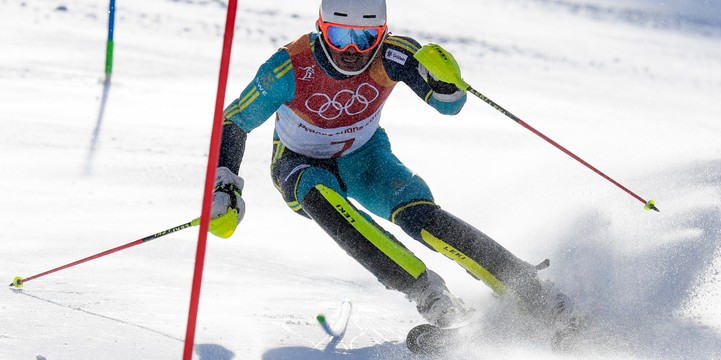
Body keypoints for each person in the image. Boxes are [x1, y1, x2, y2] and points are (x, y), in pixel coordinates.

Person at [209, 0, 579, 334]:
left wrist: (447, 84)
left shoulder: (393, 54)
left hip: (366, 159)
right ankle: (431, 296)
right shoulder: (289, 66)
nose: (352, 50)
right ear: (321, 29)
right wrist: (225, 184)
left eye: (366, 36)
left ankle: (527, 289)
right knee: (319, 196)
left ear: (382, 33)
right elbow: (235, 121)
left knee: (421, 218)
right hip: (299, 162)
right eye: (339, 35)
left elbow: (449, 105)